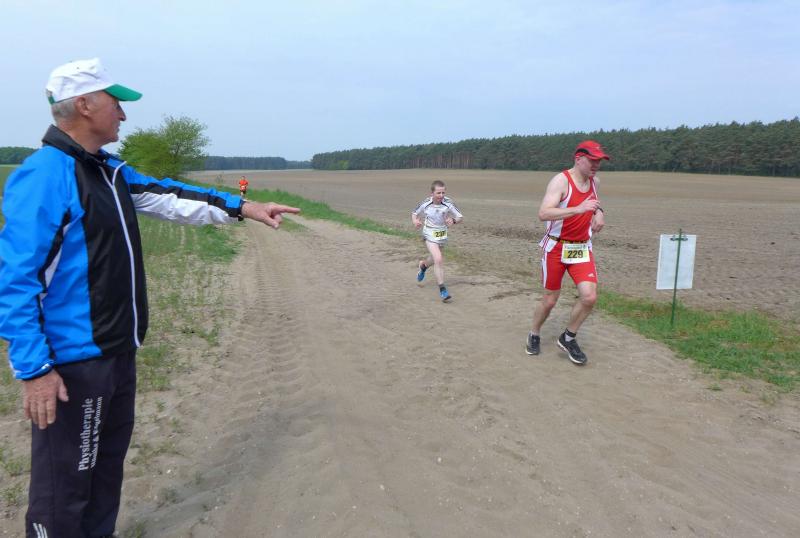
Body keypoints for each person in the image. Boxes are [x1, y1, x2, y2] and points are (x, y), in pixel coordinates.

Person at [0, 58, 300, 537]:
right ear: (84, 105)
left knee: (105, 474)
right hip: (74, 364)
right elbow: (17, 280)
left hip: (118, 351)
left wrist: (244, 207)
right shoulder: (45, 176)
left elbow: (172, 196)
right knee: (65, 488)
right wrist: (34, 369)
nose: (123, 114)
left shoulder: (110, 171)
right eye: (116, 103)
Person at [525, 140, 608, 365]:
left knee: (589, 297)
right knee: (550, 300)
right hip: (556, 247)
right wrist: (578, 209)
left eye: (599, 161)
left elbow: (594, 202)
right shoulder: (561, 181)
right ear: (578, 159)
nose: (596, 165)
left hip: (581, 248)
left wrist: (599, 212)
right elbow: (544, 213)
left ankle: (568, 338)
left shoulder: (595, 181)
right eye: (592, 160)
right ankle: (534, 332)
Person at [411, 180, 463, 302]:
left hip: (442, 234)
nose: (441, 195)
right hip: (429, 233)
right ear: (432, 193)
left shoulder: (448, 203)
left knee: (434, 259)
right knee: (438, 258)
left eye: (443, 193)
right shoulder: (426, 203)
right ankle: (443, 290)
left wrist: (453, 221)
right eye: (438, 193)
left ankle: (423, 266)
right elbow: (414, 213)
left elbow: (460, 217)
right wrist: (415, 221)